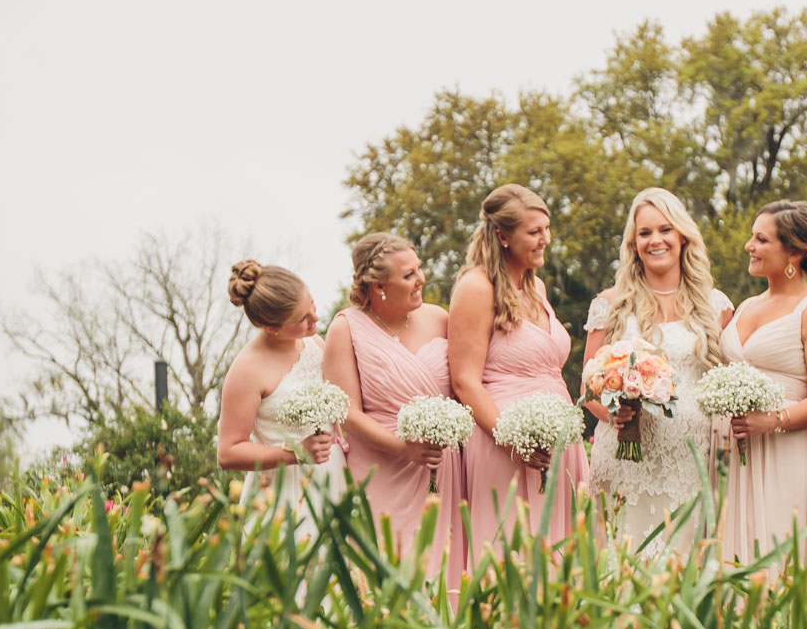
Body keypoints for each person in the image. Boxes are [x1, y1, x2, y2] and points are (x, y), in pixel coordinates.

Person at [583, 188, 733, 561]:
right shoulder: (610, 304)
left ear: (682, 235)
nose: (656, 240)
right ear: (633, 243)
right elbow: (588, 387)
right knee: (623, 564)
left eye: (665, 229)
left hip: (691, 461)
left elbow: (723, 383)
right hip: (624, 460)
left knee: (682, 571)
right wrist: (613, 415)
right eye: (645, 233)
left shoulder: (715, 306)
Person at [450, 184, 590, 558]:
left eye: (546, 229)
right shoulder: (477, 288)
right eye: (534, 232)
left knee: (561, 555)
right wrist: (513, 440)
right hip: (504, 444)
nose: (545, 239)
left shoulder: (536, 286)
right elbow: (464, 381)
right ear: (503, 236)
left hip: (557, 440)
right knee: (511, 551)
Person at [323, 232, 465, 590]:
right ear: (377, 286)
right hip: (381, 467)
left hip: (441, 467)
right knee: (385, 573)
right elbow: (346, 412)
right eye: (408, 275)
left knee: (440, 570)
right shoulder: (345, 329)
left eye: (419, 269)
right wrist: (405, 449)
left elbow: (467, 383)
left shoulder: (439, 319)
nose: (421, 280)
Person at [719, 200, 807, 565]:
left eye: (760, 239)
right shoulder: (745, 306)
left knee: (783, 557)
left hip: (785, 451)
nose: (749, 246)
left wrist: (772, 420)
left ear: (793, 252)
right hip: (733, 455)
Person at [216, 259, 345, 530]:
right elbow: (228, 453)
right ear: (271, 327)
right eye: (302, 319)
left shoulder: (315, 345)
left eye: (311, 304)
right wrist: (295, 453)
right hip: (282, 494)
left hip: (333, 479)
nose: (315, 319)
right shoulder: (246, 371)